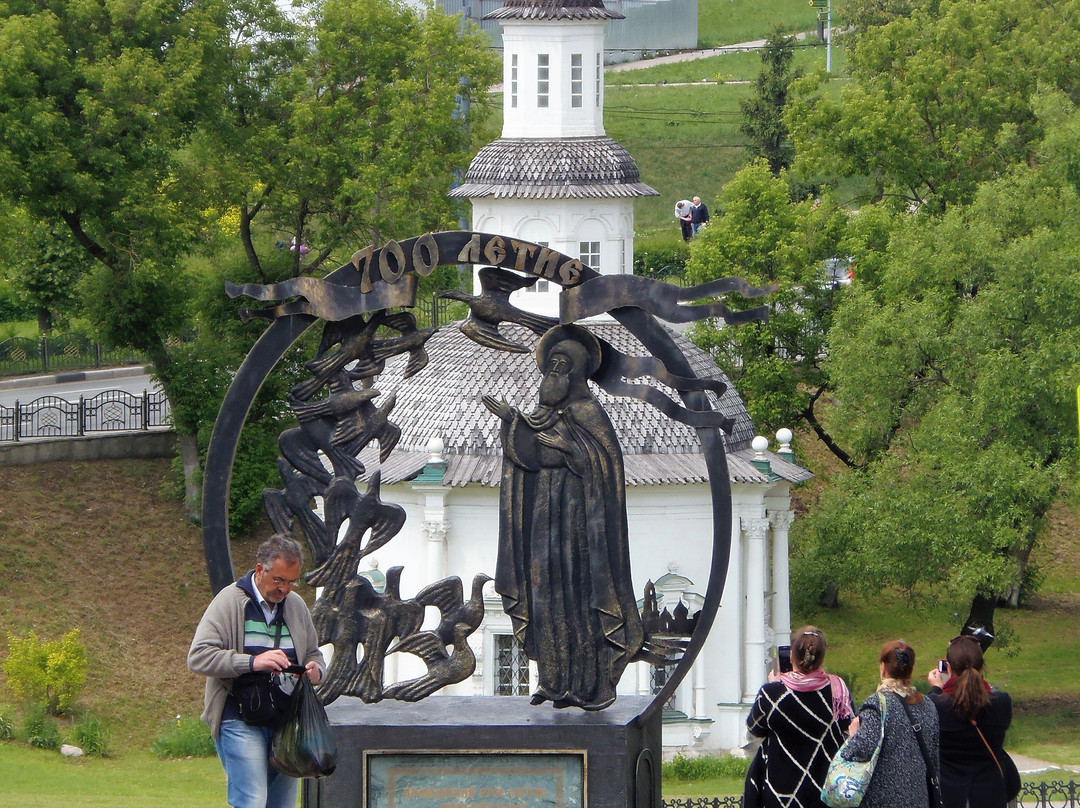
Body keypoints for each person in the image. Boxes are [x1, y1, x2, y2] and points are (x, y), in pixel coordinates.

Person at [482, 324, 642, 711]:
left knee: (577, 599)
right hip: (544, 517)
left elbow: (604, 466)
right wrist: (513, 421)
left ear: (575, 375)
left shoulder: (589, 413)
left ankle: (589, 686)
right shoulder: (541, 415)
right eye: (549, 368)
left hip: (579, 524)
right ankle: (552, 681)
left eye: (559, 369)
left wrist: (570, 447)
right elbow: (529, 457)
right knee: (545, 596)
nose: (550, 376)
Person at [188, 535, 326, 808]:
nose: (284, 589)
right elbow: (198, 657)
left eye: (290, 582)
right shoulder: (229, 601)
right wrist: (252, 662)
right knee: (252, 800)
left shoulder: (296, 606)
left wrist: (316, 671)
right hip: (238, 717)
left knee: (283, 804)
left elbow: (314, 655)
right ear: (260, 570)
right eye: (278, 580)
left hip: (285, 722)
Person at [746, 626, 854, 808]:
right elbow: (850, 729)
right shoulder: (838, 691)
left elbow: (754, 729)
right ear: (822, 657)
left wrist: (776, 687)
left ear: (791, 656)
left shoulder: (772, 693)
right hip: (826, 793)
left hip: (781, 795)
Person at [840, 640, 940, 808]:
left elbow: (862, 750)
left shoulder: (877, 704)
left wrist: (853, 735)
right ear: (911, 670)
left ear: (883, 668)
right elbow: (934, 756)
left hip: (882, 800)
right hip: (918, 798)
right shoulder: (928, 706)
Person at [927, 634, 1016, 808]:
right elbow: (982, 700)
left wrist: (937, 689)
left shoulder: (937, 706)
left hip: (950, 796)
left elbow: (928, 713)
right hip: (991, 796)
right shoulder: (1001, 702)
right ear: (981, 666)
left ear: (949, 668)